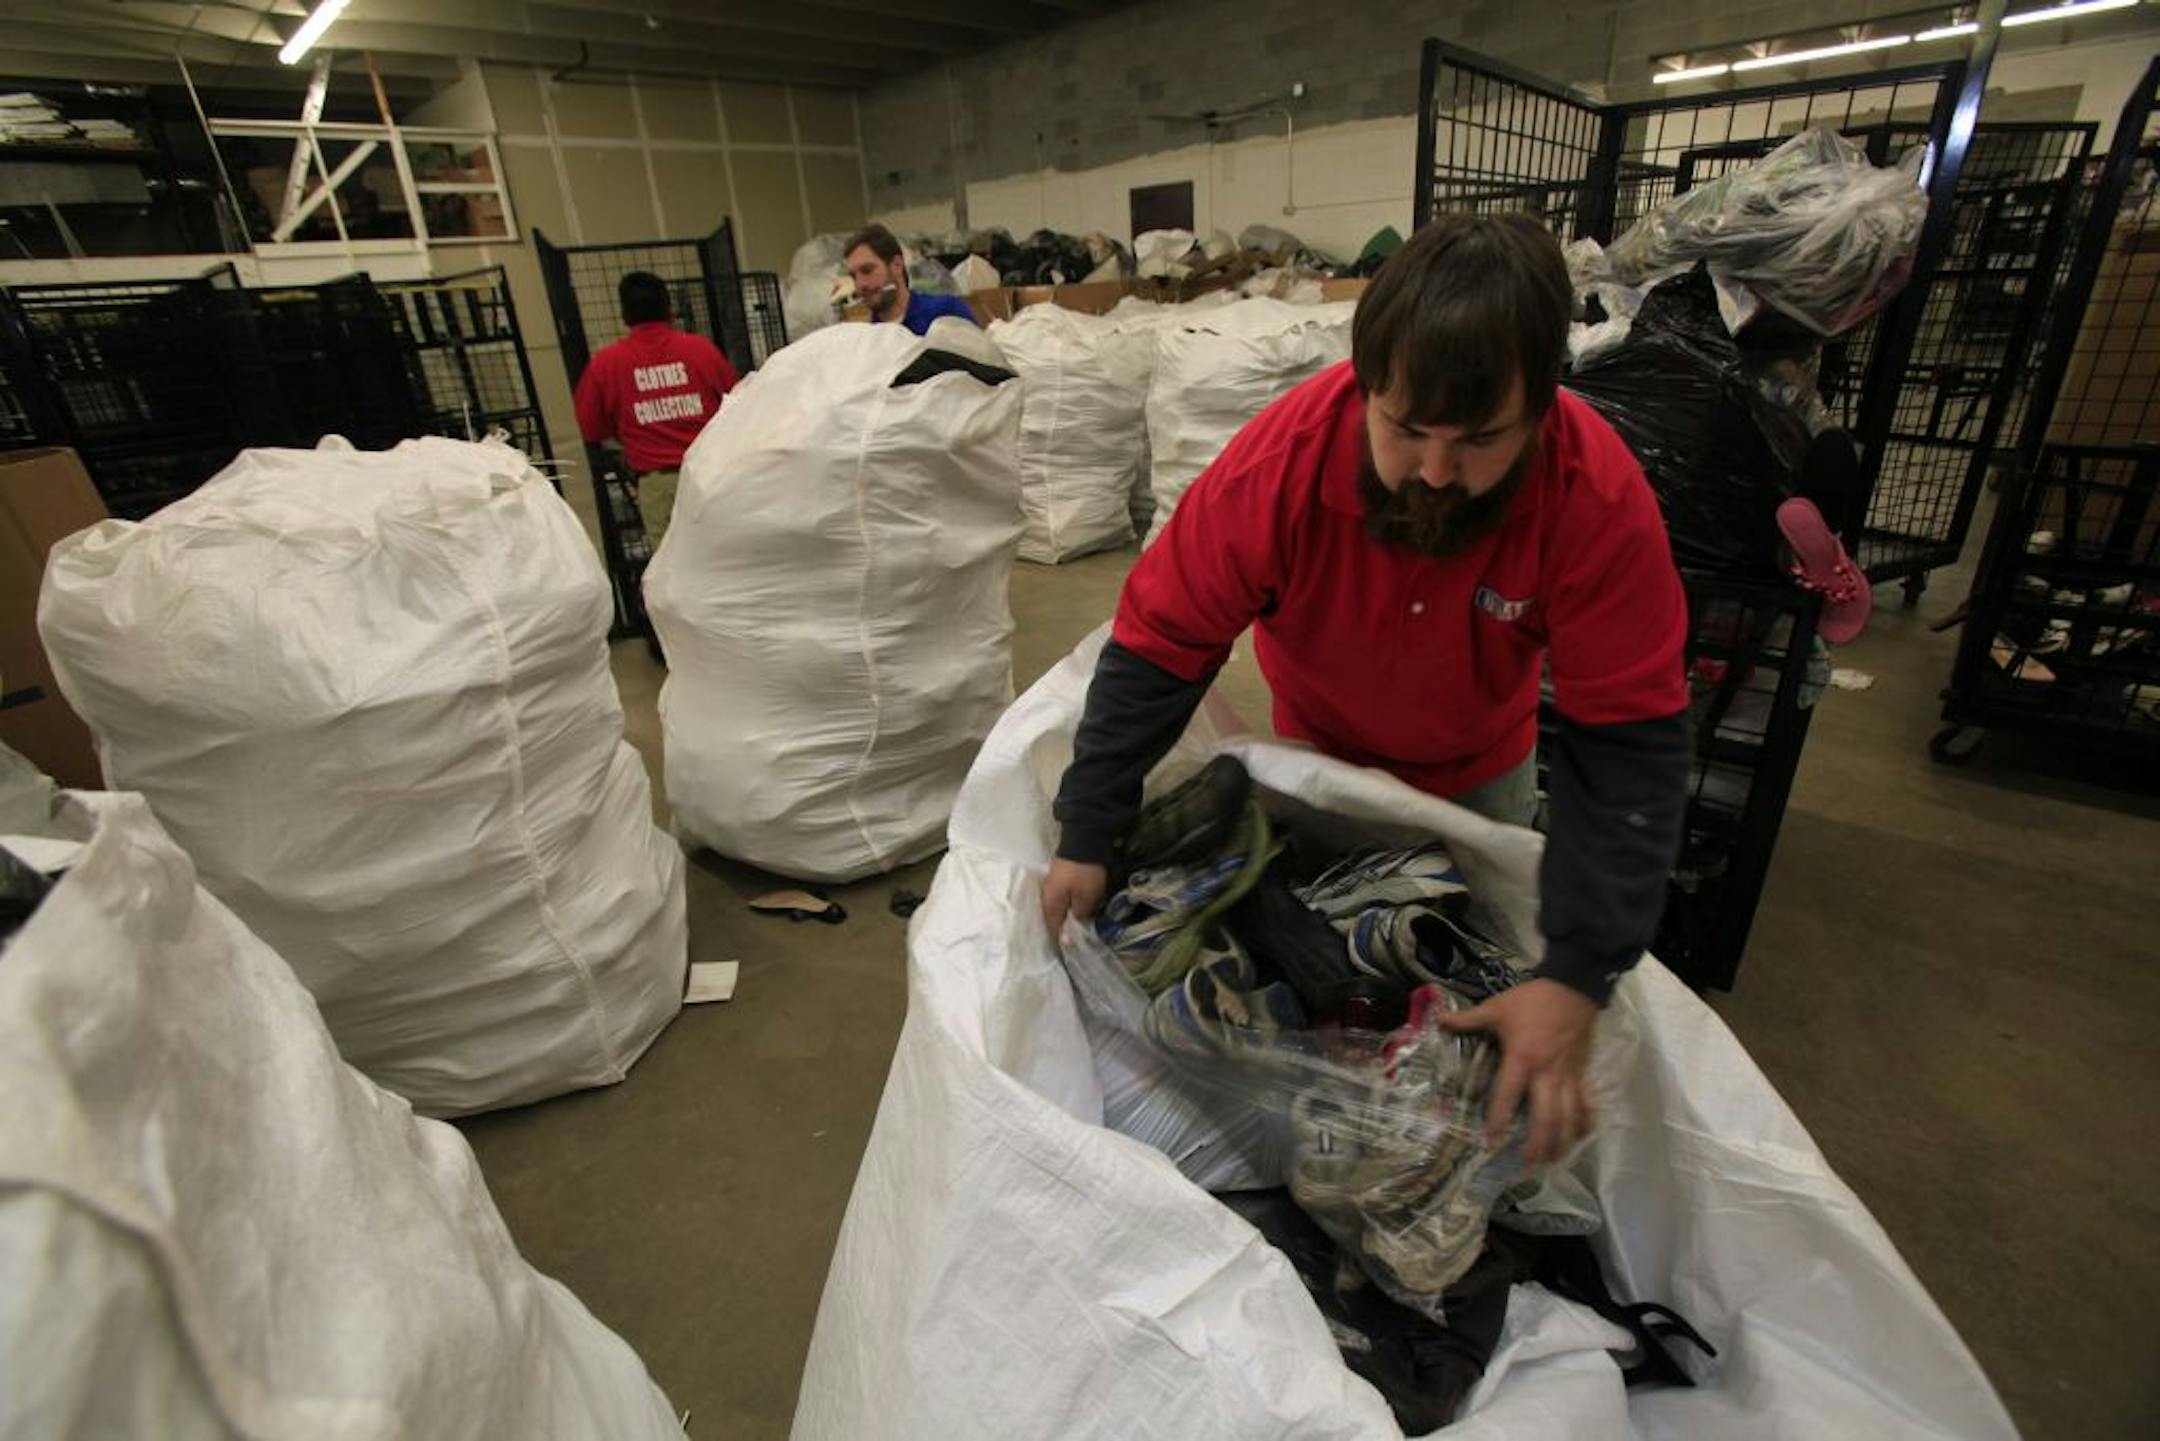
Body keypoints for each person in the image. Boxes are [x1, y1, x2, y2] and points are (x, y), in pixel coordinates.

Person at [1042, 214, 1693, 1169]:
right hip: (1321, 775)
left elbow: (1628, 742)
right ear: (1363, 388)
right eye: (1405, 429)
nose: (1435, 470)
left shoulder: (1593, 499)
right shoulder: (1280, 470)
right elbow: (1161, 644)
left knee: (1463, 1025)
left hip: (1480, 785)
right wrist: (1090, 828)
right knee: (1319, 986)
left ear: (1543, 408)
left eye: (1479, 440)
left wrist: (1579, 972)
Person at [573, 270, 740, 546]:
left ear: (625, 314)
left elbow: (591, 427)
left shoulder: (606, 364)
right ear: (668, 309)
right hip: (712, 473)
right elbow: (738, 402)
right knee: (726, 558)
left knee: (672, 572)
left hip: (657, 484)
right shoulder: (701, 350)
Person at [844, 223, 977, 335]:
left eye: (867, 270)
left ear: (896, 265)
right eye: (853, 276)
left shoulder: (946, 314)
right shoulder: (869, 340)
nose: (860, 285)